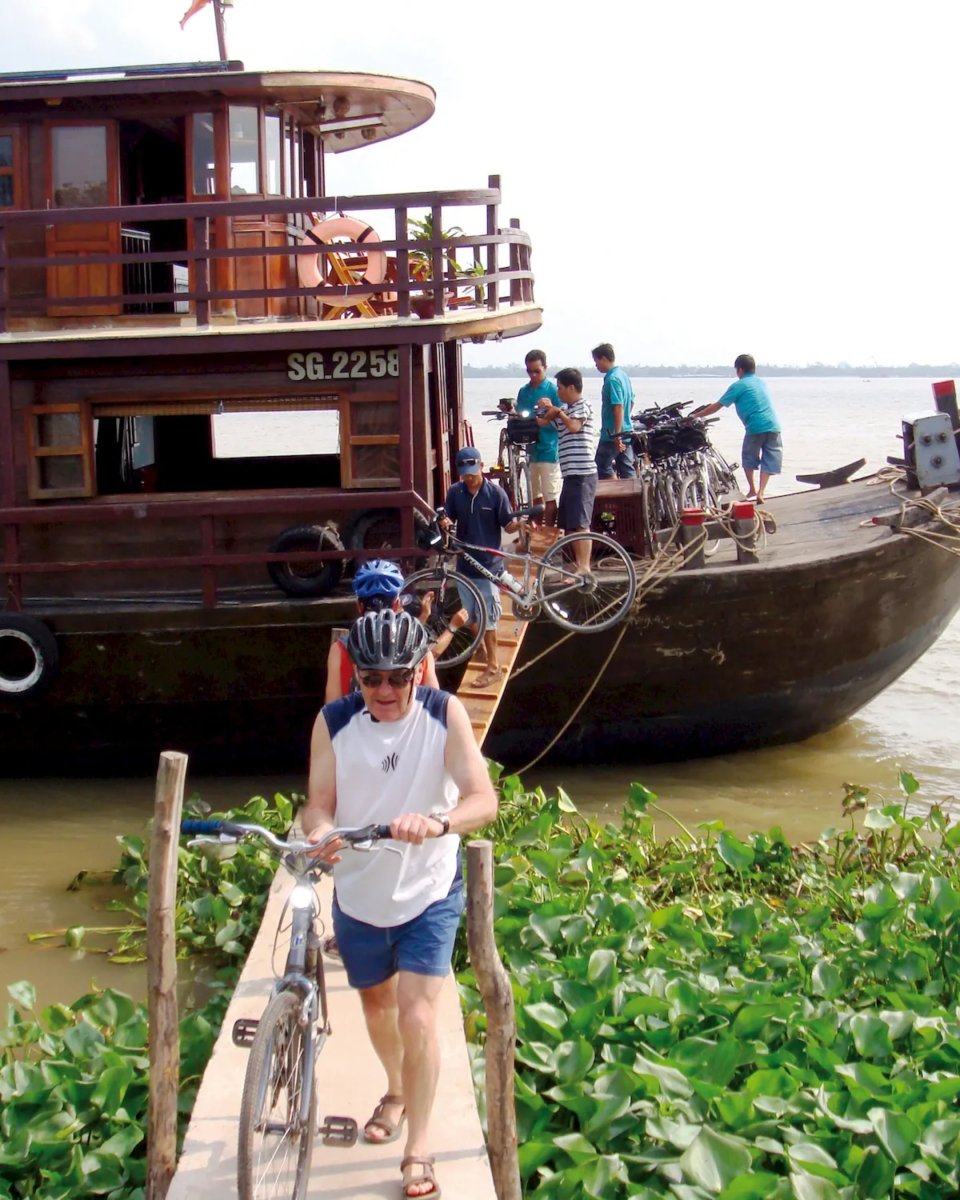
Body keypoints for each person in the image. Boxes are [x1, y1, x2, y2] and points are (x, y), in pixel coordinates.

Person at [302, 608, 498, 1200]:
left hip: (428, 890)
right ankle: (395, 1089)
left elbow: (481, 799)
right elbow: (317, 803)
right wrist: (320, 833)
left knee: (417, 1015)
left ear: (418, 671)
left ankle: (418, 1149)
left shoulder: (445, 714)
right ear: (356, 677)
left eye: (396, 677)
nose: (384, 691)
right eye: (370, 679)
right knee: (378, 1009)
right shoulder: (333, 722)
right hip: (359, 892)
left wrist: (438, 823)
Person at [440, 445, 527, 689]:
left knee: (489, 620)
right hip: (465, 565)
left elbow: (507, 526)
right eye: (465, 473)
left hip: (488, 566)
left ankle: (494, 667)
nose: (469, 477)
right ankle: (480, 649)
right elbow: (448, 517)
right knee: (469, 615)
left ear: (480, 466)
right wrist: (444, 521)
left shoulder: (496, 493)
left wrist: (519, 525)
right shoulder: (455, 493)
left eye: (472, 471)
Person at [325, 560, 441, 703]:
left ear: (359, 606)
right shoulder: (420, 646)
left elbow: (331, 706)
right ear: (397, 604)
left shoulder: (340, 649)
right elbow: (435, 703)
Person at [691, 353, 782, 503]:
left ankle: (752, 489)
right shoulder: (761, 382)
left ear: (739, 370)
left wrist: (696, 416)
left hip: (755, 427)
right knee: (769, 459)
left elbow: (716, 406)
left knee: (748, 458)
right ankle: (761, 492)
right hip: (774, 426)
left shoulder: (738, 386)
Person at [536, 367, 597, 572]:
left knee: (581, 524)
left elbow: (573, 427)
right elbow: (543, 422)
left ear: (572, 387)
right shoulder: (565, 410)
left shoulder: (582, 405)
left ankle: (585, 567)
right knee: (570, 524)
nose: (559, 392)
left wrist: (558, 411)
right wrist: (545, 409)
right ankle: (578, 566)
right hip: (569, 474)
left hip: (583, 473)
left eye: (561, 388)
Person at [516, 349, 562, 526]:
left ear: (545, 368)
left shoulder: (553, 390)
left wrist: (550, 410)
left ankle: (549, 531)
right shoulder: (524, 391)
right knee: (535, 495)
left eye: (537, 371)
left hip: (549, 449)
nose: (533, 375)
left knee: (550, 496)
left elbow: (563, 417)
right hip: (530, 449)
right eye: (529, 371)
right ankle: (535, 532)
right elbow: (519, 416)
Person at [591, 342, 636, 479]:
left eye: (596, 361)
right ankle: (632, 499)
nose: (596, 365)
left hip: (612, 435)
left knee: (601, 466)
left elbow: (618, 407)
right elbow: (631, 401)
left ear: (604, 359)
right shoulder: (623, 376)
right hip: (627, 430)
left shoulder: (612, 379)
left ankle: (616, 496)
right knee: (626, 468)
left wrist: (617, 435)